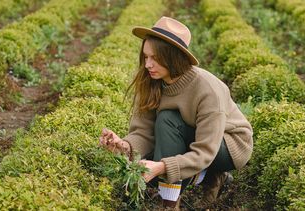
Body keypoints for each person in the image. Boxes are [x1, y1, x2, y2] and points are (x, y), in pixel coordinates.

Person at [99, 16, 253, 210]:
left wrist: (163, 167)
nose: (147, 65)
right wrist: (123, 146)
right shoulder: (150, 81)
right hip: (188, 135)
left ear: (173, 57)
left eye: (155, 58)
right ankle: (208, 178)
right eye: (145, 57)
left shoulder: (207, 89)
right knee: (147, 163)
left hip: (226, 145)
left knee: (166, 127)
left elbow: (205, 150)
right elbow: (144, 132)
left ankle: (171, 203)